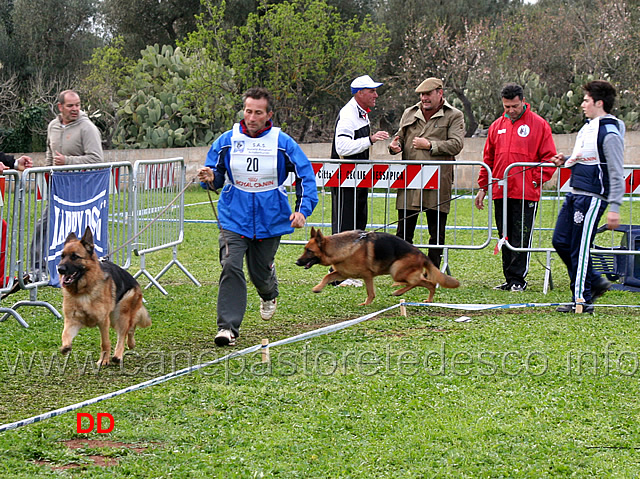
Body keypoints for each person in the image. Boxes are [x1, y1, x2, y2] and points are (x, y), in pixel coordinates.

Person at [198, 87, 318, 347]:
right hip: (233, 217)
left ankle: (269, 292)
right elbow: (215, 174)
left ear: (268, 115)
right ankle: (227, 328)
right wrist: (210, 179)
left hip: (270, 219)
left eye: (258, 113)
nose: (252, 117)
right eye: (248, 111)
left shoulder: (282, 142)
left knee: (259, 272)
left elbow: (306, 176)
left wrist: (302, 210)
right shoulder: (227, 140)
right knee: (230, 264)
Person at [474, 83, 556, 292]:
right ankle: (509, 278)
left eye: (515, 106)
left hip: (526, 192)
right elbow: (488, 159)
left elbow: (549, 159)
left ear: (523, 101)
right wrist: (483, 186)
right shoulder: (496, 126)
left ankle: (519, 279)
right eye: (507, 106)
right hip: (501, 191)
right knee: (505, 235)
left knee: (521, 236)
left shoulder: (539, 125)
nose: (511, 110)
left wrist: (535, 180)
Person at [551, 80, 624, 313]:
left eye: (586, 100)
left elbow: (615, 171)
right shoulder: (589, 128)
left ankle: (581, 301)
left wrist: (614, 207)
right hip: (575, 193)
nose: (582, 104)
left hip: (593, 197)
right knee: (560, 241)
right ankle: (594, 282)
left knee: (579, 248)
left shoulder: (609, 132)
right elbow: (586, 157)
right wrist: (567, 160)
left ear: (599, 103)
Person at [388, 77, 465, 268]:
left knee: (436, 231)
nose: (424, 98)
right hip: (410, 181)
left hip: (437, 182)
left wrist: (431, 145)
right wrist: (394, 146)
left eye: (428, 94)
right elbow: (399, 137)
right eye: (422, 95)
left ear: (440, 93)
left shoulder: (454, 115)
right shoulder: (410, 113)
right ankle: (404, 270)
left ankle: (432, 271)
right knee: (404, 231)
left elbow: (456, 144)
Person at [329, 75, 389, 287]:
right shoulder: (348, 115)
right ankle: (339, 274)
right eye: (371, 91)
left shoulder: (361, 114)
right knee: (345, 226)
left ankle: (349, 271)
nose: (376, 94)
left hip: (357, 178)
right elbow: (342, 148)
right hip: (345, 179)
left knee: (356, 224)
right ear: (359, 93)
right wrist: (370, 140)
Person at [45, 90, 103, 166]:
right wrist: (47, 175)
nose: (75, 109)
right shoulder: (53, 126)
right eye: (70, 106)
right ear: (60, 107)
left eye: (77, 105)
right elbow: (50, 155)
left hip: (82, 177)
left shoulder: (88, 128)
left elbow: (96, 159)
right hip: (58, 177)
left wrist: (67, 161)